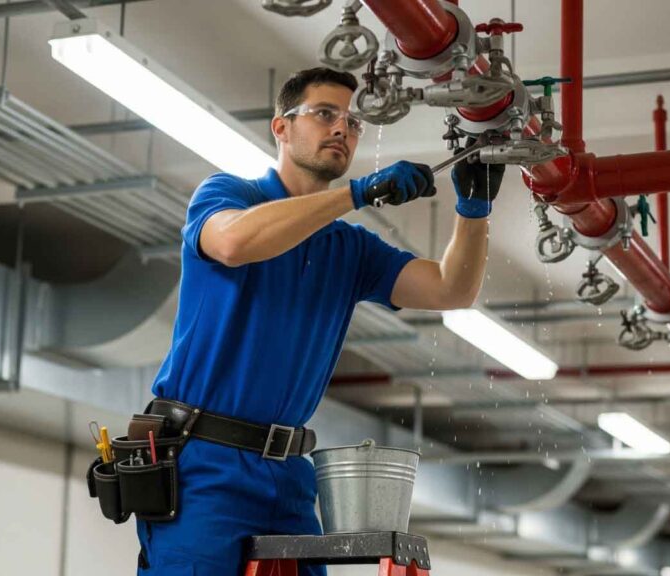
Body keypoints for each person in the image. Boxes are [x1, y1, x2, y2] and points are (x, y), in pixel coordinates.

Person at [136, 67, 505, 575]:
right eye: (325, 114)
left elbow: (452, 289)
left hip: (289, 474)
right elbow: (233, 243)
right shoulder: (227, 196)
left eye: (353, 124)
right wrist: (355, 195)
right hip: (205, 465)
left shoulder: (350, 249)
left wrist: (474, 211)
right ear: (280, 128)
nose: (342, 130)